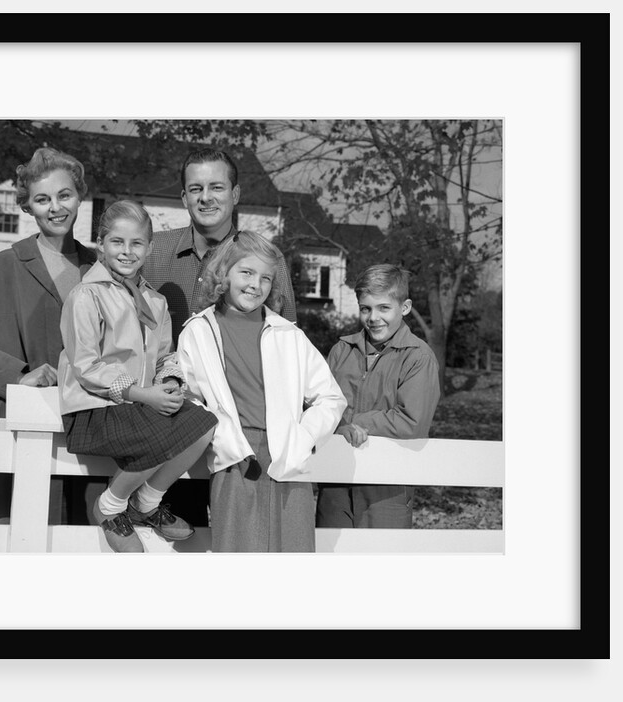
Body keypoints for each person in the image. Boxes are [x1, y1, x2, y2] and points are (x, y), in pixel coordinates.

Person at [142, 147, 298, 527]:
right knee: (173, 537)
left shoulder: (266, 260)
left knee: (241, 537)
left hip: (243, 429)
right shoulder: (153, 254)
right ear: (184, 197)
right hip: (168, 424)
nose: (206, 197)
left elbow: (287, 346)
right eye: (196, 189)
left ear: (235, 194)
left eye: (216, 187)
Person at [0, 146, 98, 525]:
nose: (55, 207)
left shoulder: (100, 270)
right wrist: (18, 375)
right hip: (14, 423)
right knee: (13, 533)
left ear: (80, 196)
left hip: (86, 429)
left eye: (64, 195)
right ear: (27, 207)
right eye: (42, 199)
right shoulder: (3, 266)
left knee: (78, 537)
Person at [57, 200, 218, 553]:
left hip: (137, 410)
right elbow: (86, 366)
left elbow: (164, 355)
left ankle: (145, 503)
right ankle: (109, 506)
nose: (127, 251)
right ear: (101, 243)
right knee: (160, 432)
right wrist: (142, 395)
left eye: (136, 243)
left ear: (149, 248)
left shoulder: (155, 302)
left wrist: (170, 381)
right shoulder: (86, 296)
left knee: (204, 424)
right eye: (117, 241)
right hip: (94, 410)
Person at [177, 231, 345, 552]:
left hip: (288, 456)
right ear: (224, 273)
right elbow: (190, 399)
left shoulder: (288, 334)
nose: (256, 285)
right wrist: (223, 441)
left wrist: (304, 440)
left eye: (266, 278)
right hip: (236, 460)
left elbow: (331, 397)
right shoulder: (198, 331)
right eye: (247, 273)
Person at [315, 264, 441, 529]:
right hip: (336, 478)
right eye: (366, 308)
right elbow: (320, 405)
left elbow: (412, 422)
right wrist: (339, 427)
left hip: (387, 485)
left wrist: (355, 423)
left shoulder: (418, 357)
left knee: (381, 551)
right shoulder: (341, 350)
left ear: (404, 307)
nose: (373, 317)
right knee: (331, 550)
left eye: (384, 308)